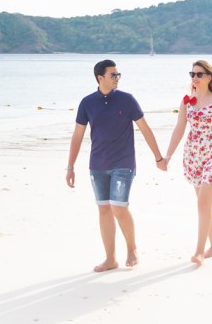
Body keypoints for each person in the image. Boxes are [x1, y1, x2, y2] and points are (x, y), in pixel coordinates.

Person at [65, 59, 166, 272]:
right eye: (113, 75)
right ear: (100, 78)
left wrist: (158, 157)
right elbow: (77, 136)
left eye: (119, 74)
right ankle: (110, 258)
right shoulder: (87, 103)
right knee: (103, 209)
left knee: (119, 207)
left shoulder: (127, 100)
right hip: (98, 164)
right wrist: (70, 167)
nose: (117, 78)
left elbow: (145, 129)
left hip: (124, 162)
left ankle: (132, 249)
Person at [160, 59, 212, 266]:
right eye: (192, 74)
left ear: (209, 77)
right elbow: (179, 129)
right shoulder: (186, 101)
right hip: (193, 156)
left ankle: (199, 251)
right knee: (204, 203)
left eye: (199, 74)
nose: (195, 78)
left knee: (202, 202)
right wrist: (168, 156)